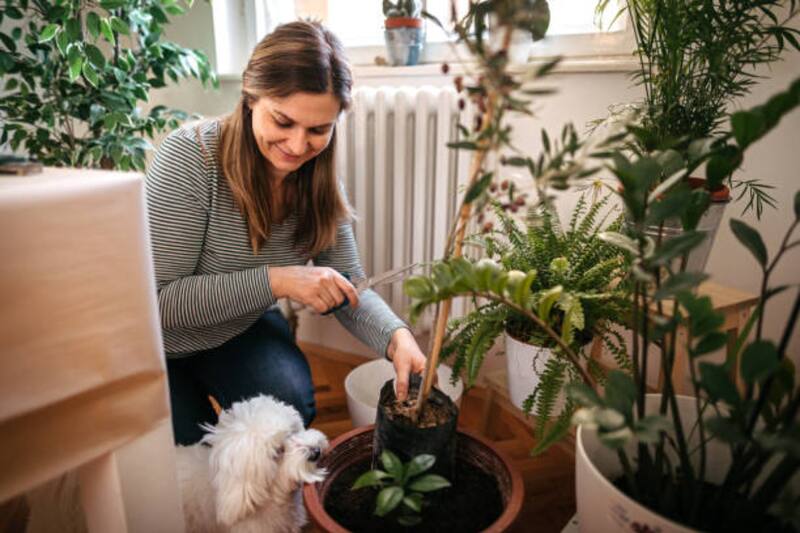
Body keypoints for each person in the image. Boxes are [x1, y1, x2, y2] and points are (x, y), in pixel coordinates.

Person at [146, 20, 427, 445]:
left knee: (288, 413)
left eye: (318, 130)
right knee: (192, 457)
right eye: (283, 122)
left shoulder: (317, 180)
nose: (298, 147)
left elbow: (349, 286)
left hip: (236, 328)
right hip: (160, 347)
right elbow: (160, 303)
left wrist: (397, 337)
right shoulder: (189, 158)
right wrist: (279, 280)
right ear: (250, 97)